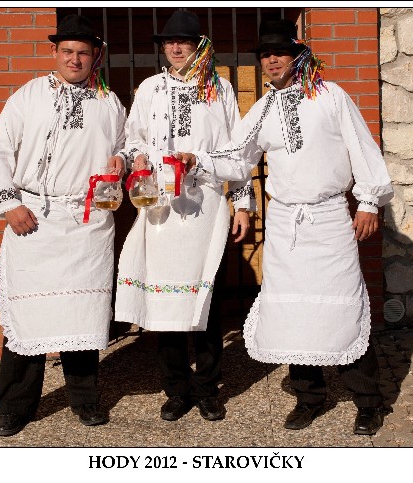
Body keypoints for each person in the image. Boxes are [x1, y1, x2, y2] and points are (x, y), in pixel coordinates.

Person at [177, 18, 393, 435]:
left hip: (329, 218)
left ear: (298, 56)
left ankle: (368, 401)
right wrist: (197, 160)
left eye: (279, 53)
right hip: (283, 222)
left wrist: (368, 202)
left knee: (342, 308)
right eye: (265, 55)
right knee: (293, 311)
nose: (272, 60)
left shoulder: (331, 96)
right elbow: (236, 157)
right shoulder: (263, 108)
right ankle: (309, 397)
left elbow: (361, 146)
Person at [0, 14, 127, 436]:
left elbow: (125, 144)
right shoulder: (29, 96)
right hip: (34, 216)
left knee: (82, 315)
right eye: (67, 51)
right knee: (29, 316)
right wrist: (9, 205)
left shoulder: (109, 102)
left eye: (83, 52)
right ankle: (14, 407)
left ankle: (85, 401)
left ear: (94, 56)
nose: (74, 59)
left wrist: (121, 159)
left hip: (87, 222)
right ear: (54, 52)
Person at [114, 10, 255, 422]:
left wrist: (242, 204)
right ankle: (176, 389)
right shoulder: (150, 89)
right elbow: (133, 140)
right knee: (164, 305)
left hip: (204, 206)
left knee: (205, 301)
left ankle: (208, 389)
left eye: (184, 42)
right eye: (169, 42)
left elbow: (237, 152)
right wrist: (137, 158)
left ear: (199, 46)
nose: (176, 49)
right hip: (160, 208)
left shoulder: (219, 89)